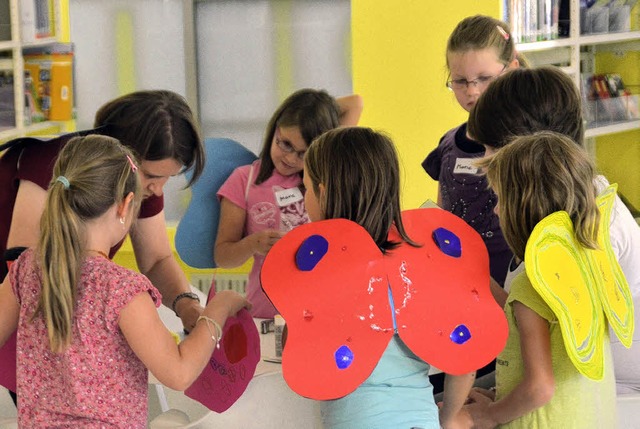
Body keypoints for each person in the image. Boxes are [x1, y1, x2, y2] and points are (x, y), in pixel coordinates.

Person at [0, 135, 250, 427]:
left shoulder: (27, 268)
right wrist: (218, 310)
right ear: (125, 205)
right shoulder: (121, 289)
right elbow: (178, 372)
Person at [0, 90, 206, 404]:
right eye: (152, 176)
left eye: (169, 179)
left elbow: (156, 258)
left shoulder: (139, 183)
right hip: (27, 313)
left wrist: (186, 304)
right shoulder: (57, 169)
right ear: (125, 160)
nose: (157, 190)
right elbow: (29, 276)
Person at [468, 65, 640, 394]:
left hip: (610, 391)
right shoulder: (563, 204)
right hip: (572, 380)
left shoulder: (591, 227)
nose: (485, 159)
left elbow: (543, 345)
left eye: (491, 148)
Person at [303, 127, 475, 429]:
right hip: (421, 420)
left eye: (305, 188)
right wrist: (448, 418)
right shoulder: (422, 266)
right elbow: (466, 354)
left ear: (323, 192)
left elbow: (305, 360)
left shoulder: (324, 274)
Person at [466, 132, 618, 428]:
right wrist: (503, 394)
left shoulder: (531, 285)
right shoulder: (583, 263)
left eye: (500, 198)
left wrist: (489, 414)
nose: (496, 209)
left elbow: (539, 388)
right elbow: (520, 317)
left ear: (525, 204)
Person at [422, 14, 522, 397]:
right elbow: (445, 218)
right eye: (460, 81)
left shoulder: (523, 146)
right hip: (465, 295)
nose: (472, 91)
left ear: (511, 69)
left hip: (515, 296)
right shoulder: (448, 145)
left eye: (485, 79)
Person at [214, 88, 363, 318]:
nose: (290, 158)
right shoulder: (244, 180)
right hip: (265, 312)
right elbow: (223, 256)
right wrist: (252, 244)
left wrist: (318, 110)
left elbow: (356, 103)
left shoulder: (323, 179)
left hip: (322, 314)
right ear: (275, 128)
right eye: (285, 144)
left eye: (303, 154)